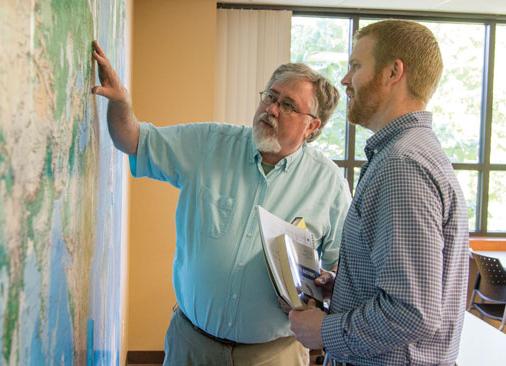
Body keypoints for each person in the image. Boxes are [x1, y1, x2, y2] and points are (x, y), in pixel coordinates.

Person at [91, 41, 351, 365]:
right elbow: (133, 140)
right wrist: (120, 103)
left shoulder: (329, 184)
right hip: (192, 345)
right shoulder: (210, 144)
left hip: (274, 353)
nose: (271, 109)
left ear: (312, 126)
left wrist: (321, 292)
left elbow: (343, 266)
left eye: (287, 105)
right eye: (270, 96)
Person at [289, 19, 469, 366]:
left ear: (393, 72)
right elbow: (406, 289)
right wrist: (345, 288)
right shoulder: (408, 154)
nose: (345, 80)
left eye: (355, 66)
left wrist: (325, 331)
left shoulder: (402, 166)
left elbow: (412, 312)